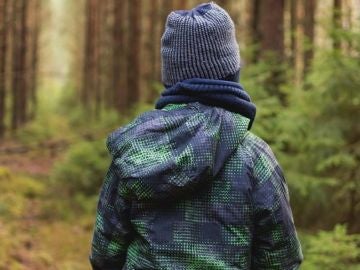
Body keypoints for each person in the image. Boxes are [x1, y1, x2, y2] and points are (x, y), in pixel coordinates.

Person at [89, 2, 303, 269]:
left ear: (170, 76)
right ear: (231, 73)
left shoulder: (136, 151)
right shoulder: (254, 158)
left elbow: (104, 255)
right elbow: (282, 261)